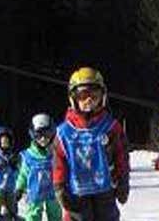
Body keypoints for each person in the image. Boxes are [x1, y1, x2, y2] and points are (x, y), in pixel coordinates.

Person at [53, 67, 130, 221]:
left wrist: (123, 180)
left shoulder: (110, 127)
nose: (89, 101)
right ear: (73, 98)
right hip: (76, 193)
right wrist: (59, 186)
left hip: (104, 191)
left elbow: (121, 155)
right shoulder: (64, 132)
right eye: (83, 96)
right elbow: (58, 162)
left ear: (102, 97)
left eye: (94, 96)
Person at [16, 113, 62, 221]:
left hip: (52, 192)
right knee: (33, 213)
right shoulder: (29, 155)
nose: (43, 139)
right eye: (38, 135)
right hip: (35, 191)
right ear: (33, 135)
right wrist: (19, 188)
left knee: (55, 213)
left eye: (47, 134)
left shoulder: (56, 153)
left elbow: (62, 169)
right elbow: (23, 173)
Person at [0, 127, 20, 219]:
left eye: (7, 142)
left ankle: (11, 214)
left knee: (11, 202)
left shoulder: (14, 156)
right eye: (2, 142)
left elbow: (19, 171)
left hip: (10, 185)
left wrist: (14, 166)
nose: (4, 144)